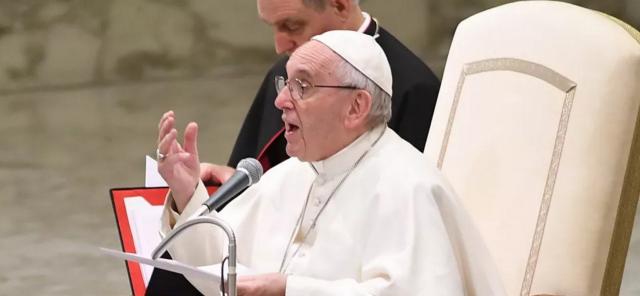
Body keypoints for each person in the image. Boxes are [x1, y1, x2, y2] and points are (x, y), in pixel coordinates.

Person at [152, 30, 465, 296]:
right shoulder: (289, 176)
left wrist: (290, 290)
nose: (280, 101)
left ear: (356, 106)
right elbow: (222, 265)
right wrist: (187, 192)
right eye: (285, 84)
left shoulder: (409, 187)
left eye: (302, 86)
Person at [200, 0, 440, 186]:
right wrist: (229, 183)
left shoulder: (413, 89)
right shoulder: (283, 71)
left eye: (292, 26)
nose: (279, 46)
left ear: (339, 5)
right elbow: (259, 185)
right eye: (273, 27)